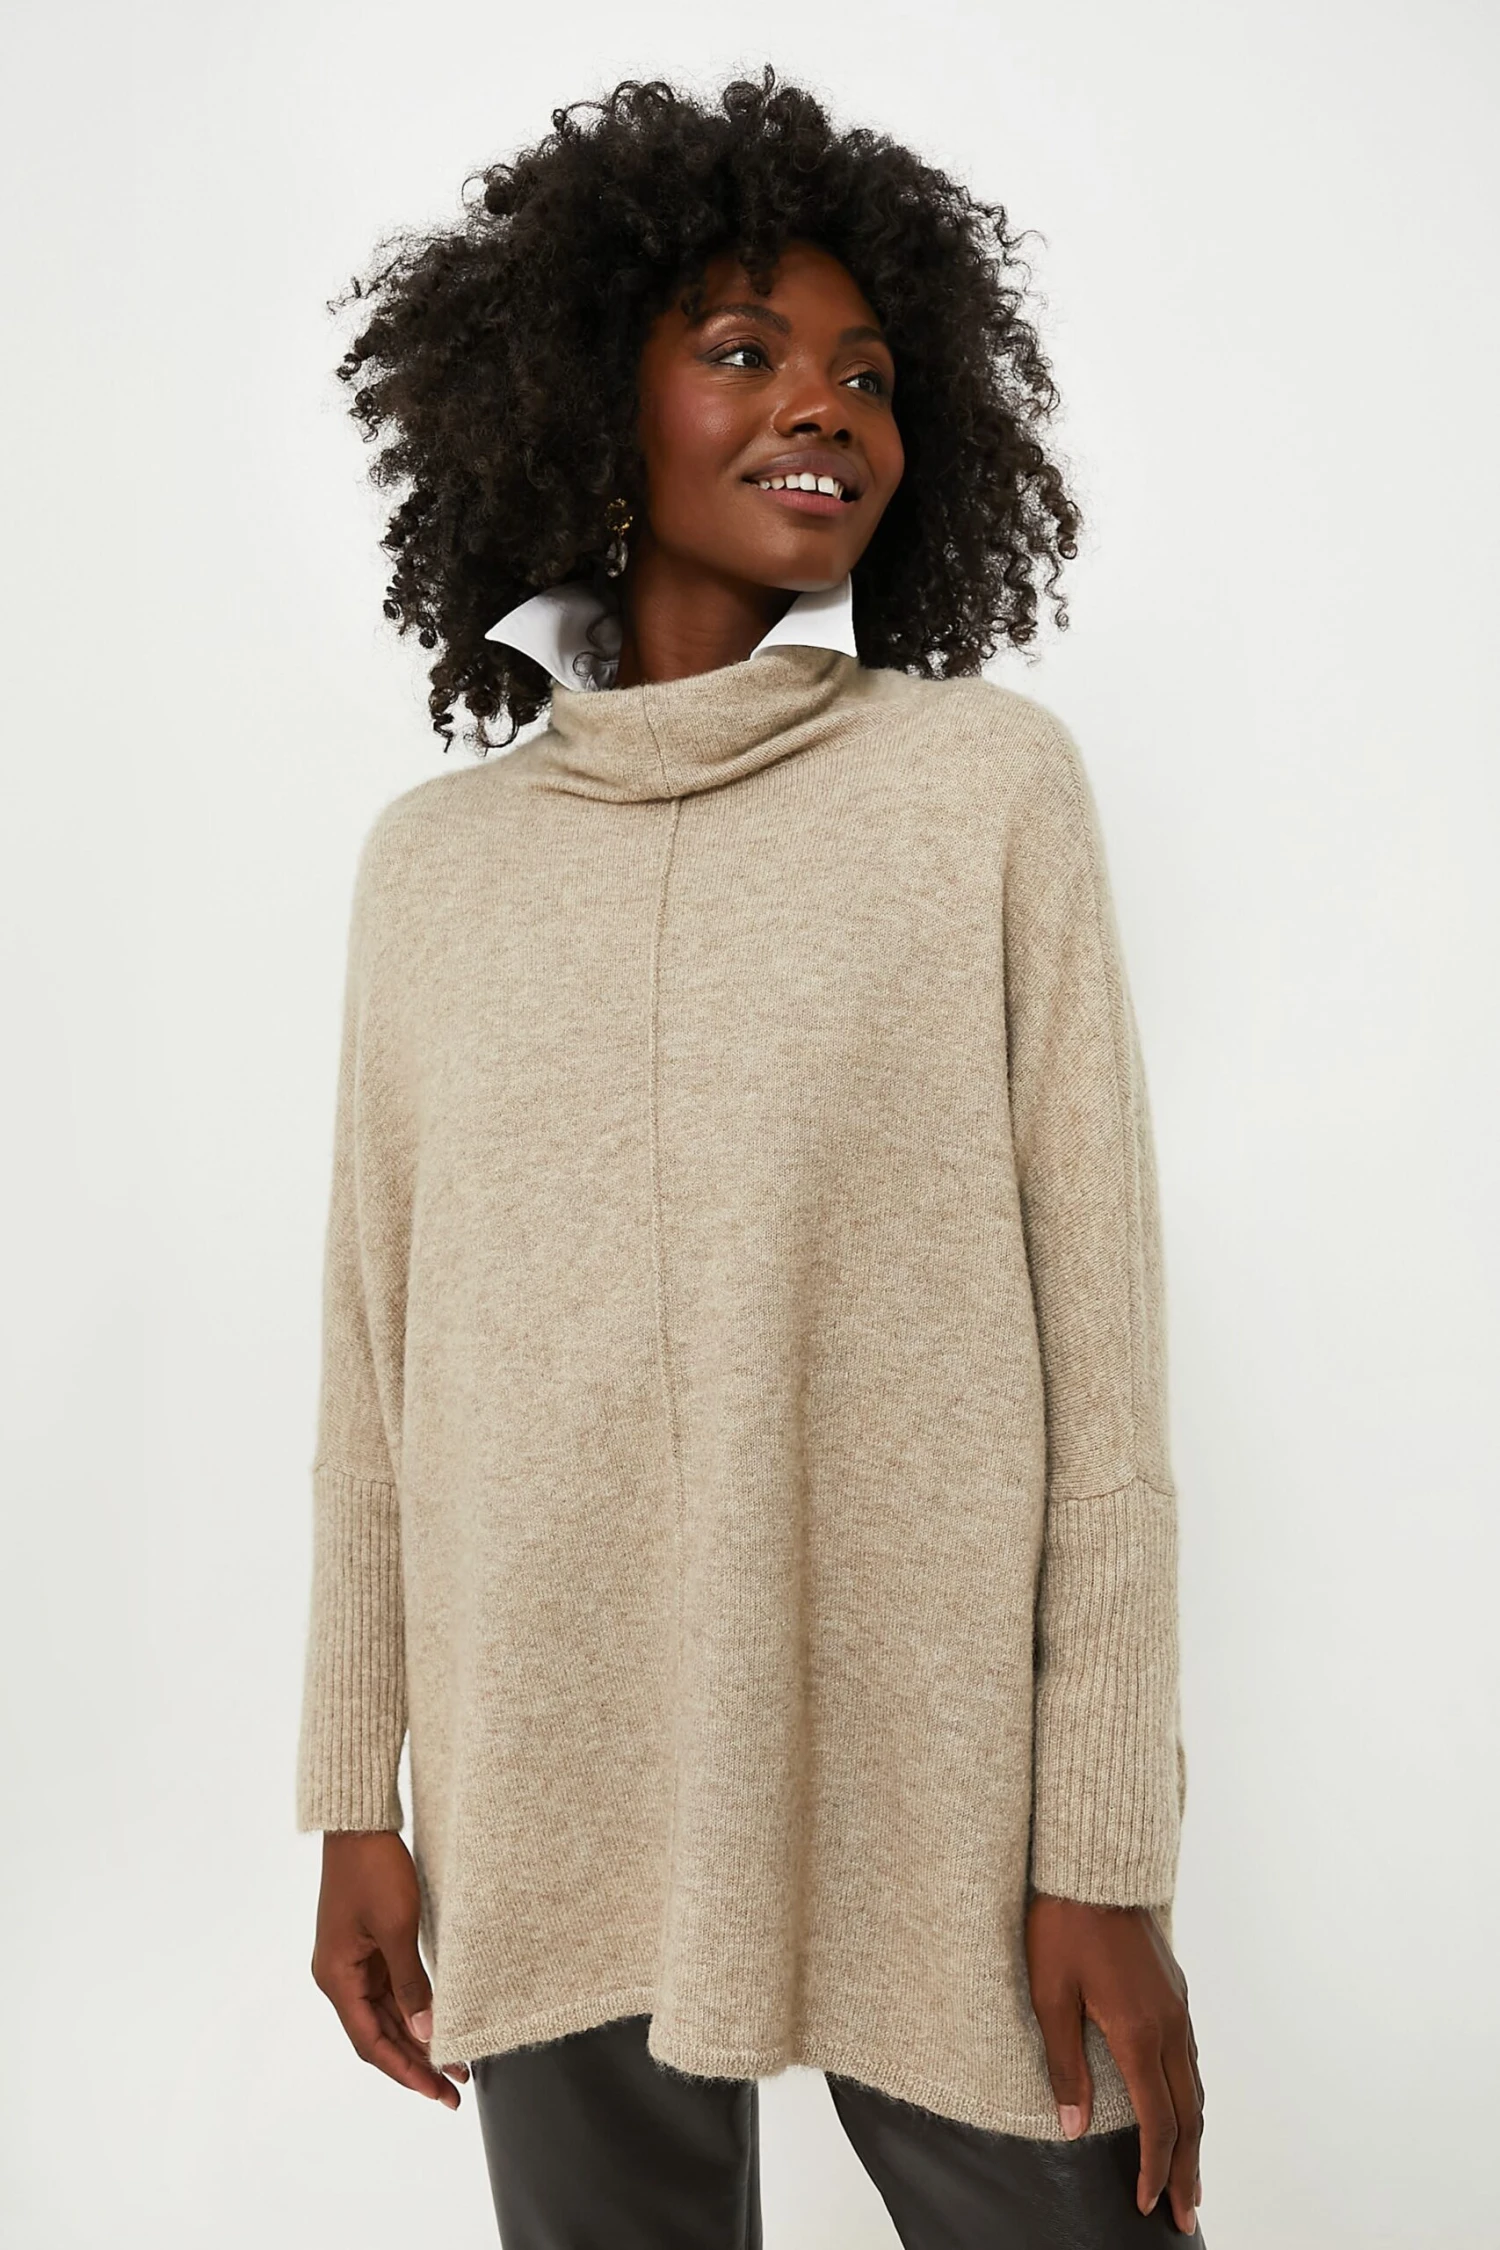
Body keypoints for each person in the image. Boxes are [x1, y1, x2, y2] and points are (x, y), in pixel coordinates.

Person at [295, 66, 1206, 2246]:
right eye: (744, 351)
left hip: (932, 1787)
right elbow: (376, 1374)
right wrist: (354, 1791)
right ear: (579, 404)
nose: (827, 409)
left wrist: (1105, 1850)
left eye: (868, 375)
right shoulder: (434, 868)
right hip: (544, 1762)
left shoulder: (985, 792)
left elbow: (1101, 1365)